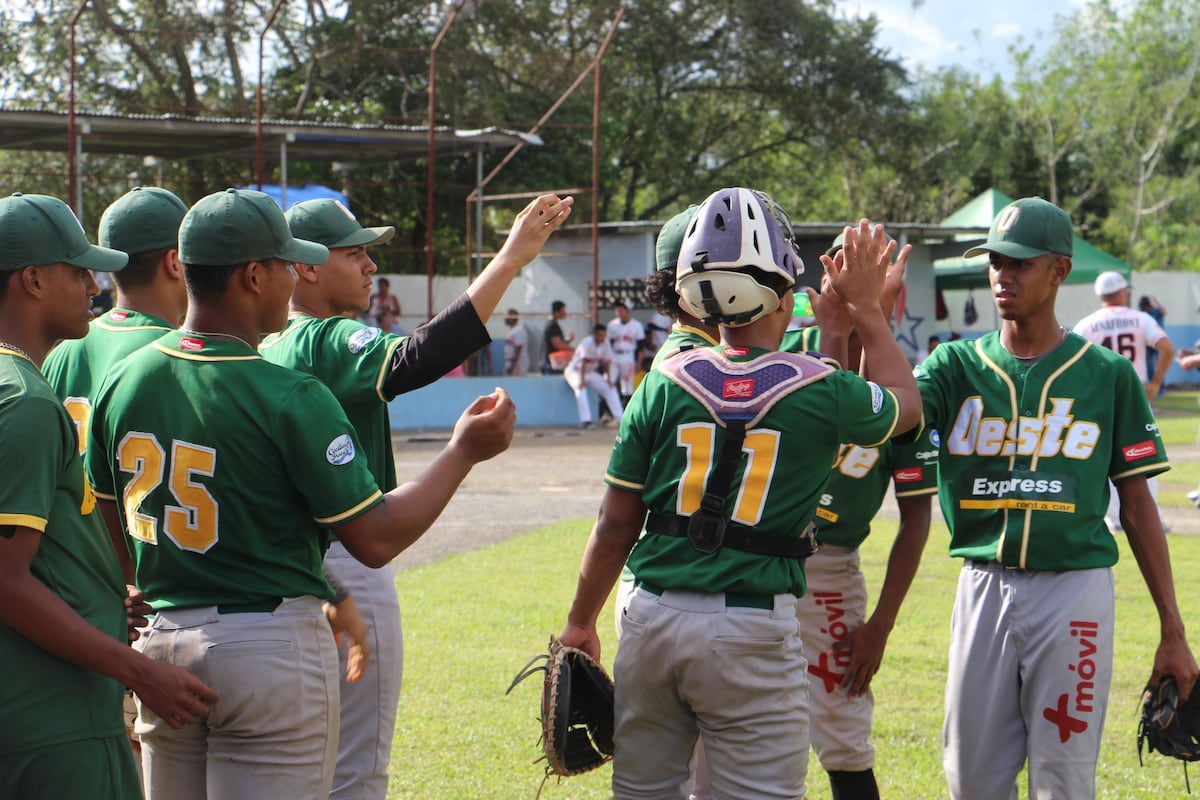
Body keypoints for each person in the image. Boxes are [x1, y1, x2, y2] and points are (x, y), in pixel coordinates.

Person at [85, 187, 517, 800]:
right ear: (254, 275)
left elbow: (109, 517)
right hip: (267, 648)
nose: (295, 278)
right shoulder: (288, 392)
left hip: (163, 645)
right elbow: (375, 538)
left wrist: (149, 588)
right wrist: (462, 453)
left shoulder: (123, 378)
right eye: (287, 264)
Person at [557, 187, 921, 800]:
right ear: (783, 295)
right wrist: (867, 310)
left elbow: (616, 524)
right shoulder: (817, 387)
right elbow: (905, 408)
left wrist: (579, 620)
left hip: (651, 617)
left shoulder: (661, 380)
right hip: (750, 626)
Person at [261, 193, 571, 800]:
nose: (371, 267)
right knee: (356, 766)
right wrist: (510, 260)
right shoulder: (321, 338)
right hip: (346, 558)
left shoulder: (267, 343)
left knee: (303, 762)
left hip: (290, 567)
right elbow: (415, 358)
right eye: (355, 254)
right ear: (306, 267)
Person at [909, 196, 1197, 799]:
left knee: (1064, 781)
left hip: (1075, 590)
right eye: (994, 261)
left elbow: (1139, 505)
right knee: (969, 779)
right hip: (982, 581)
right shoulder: (954, 366)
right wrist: (862, 320)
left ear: (1059, 271)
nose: (1001, 275)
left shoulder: (1107, 375)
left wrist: (1173, 629)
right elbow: (884, 410)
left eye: (1019, 262)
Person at [0, 192, 216, 800]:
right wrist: (143, 672)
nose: (94, 284)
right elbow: (5, 578)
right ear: (33, 280)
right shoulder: (22, 399)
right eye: (76, 270)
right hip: (52, 718)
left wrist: (91, 599)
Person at [1073, 269, 1174, 533]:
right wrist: (1156, 382)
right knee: (1143, 459)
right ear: (1120, 292)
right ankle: (1153, 518)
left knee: (1102, 459)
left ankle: (1113, 519)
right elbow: (1166, 347)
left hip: (1100, 399)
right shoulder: (1140, 319)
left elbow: (1072, 361)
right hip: (1135, 395)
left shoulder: (1086, 324)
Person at [564, 323, 623, 429]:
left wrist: (608, 379)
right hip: (575, 372)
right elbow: (583, 363)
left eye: (603, 335)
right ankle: (586, 421)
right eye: (600, 335)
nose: (602, 337)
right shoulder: (587, 342)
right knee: (580, 388)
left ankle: (620, 419)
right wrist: (582, 381)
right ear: (594, 334)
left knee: (610, 387)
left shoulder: (605, 342)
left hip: (590, 373)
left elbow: (607, 362)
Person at [606, 298, 645, 404]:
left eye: (622, 309)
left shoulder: (636, 325)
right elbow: (608, 344)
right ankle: (608, 412)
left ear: (628, 310)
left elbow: (641, 347)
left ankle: (625, 411)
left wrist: (639, 363)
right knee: (608, 382)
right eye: (617, 309)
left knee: (627, 386)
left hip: (628, 356)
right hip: (614, 355)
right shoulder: (612, 325)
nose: (619, 311)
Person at [540, 299, 575, 373]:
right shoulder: (552, 325)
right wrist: (575, 349)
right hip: (550, 363)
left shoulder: (554, 324)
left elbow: (559, 342)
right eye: (563, 311)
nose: (565, 313)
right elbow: (558, 345)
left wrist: (569, 340)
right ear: (556, 312)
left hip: (555, 362)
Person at [503, 308, 530, 376]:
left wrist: (513, 366)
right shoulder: (512, 330)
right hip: (510, 361)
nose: (505, 318)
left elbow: (519, 349)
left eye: (507, 316)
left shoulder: (519, 330)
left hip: (518, 363)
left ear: (512, 317)